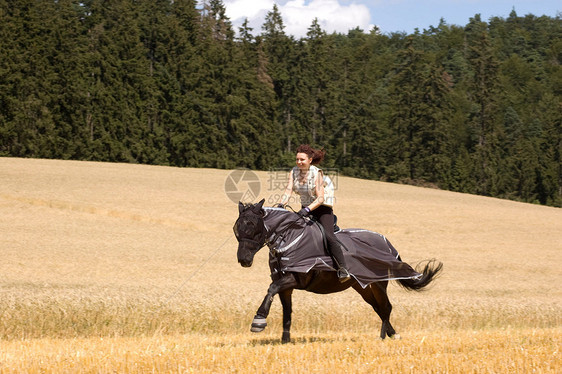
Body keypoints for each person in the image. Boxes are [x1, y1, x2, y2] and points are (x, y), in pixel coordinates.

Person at [277, 144, 351, 282]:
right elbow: (288, 190)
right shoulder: (293, 171)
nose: (299, 162)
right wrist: (281, 205)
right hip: (305, 208)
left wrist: (307, 209)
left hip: (322, 209)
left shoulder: (317, 173)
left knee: (329, 236)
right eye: (297, 159)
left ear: (310, 160)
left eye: (302, 160)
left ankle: (343, 269)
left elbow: (320, 198)